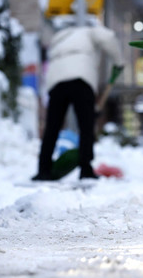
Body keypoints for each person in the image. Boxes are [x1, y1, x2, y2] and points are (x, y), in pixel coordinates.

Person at [33, 17, 123, 180]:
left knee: (52, 126)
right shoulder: (89, 32)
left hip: (56, 80)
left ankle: (43, 169)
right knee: (86, 125)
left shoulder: (59, 39)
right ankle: (85, 169)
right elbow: (108, 37)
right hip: (81, 78)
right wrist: (119, 62)